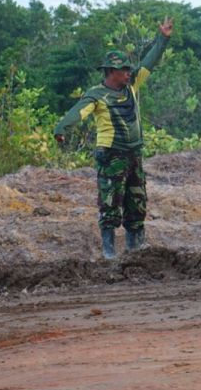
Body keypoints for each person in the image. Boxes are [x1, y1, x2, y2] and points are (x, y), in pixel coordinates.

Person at [54, 18, 173, 259]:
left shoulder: (131, 85)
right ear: (110, 72)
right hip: (111, 154)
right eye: (124, 70)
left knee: (137, 202)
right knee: (110, 202)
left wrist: (163, 38)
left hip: (134, 154)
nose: (129, 73)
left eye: (130, 69)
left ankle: (135, 251)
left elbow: (150, 61)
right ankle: (108, 253)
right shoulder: (96, 95)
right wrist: (61, 129)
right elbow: (78, 112)